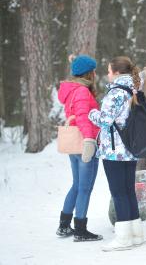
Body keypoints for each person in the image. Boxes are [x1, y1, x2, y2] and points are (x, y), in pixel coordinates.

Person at [89, 56, 146, 252]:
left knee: (118, 192)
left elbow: (105, 120)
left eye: (108, 70)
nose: (107, 74)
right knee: (128, 191)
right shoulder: (135, 89)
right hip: (130, 149)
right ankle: (136, 234)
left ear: (116, 72)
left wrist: (91, 113)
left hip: (114, 151)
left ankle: (123, 238)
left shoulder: (115, 93)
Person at [56, 54, 103, 242]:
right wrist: (90, 141)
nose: (95, 73)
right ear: (89, 73)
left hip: (75, 144)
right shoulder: (82, 92)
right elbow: (83, 117)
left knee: (77, 185)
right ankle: (80, 230)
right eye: (94, 70)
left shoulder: (72, 89)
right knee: (85, 188)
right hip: (85, 144)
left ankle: (64, 225)